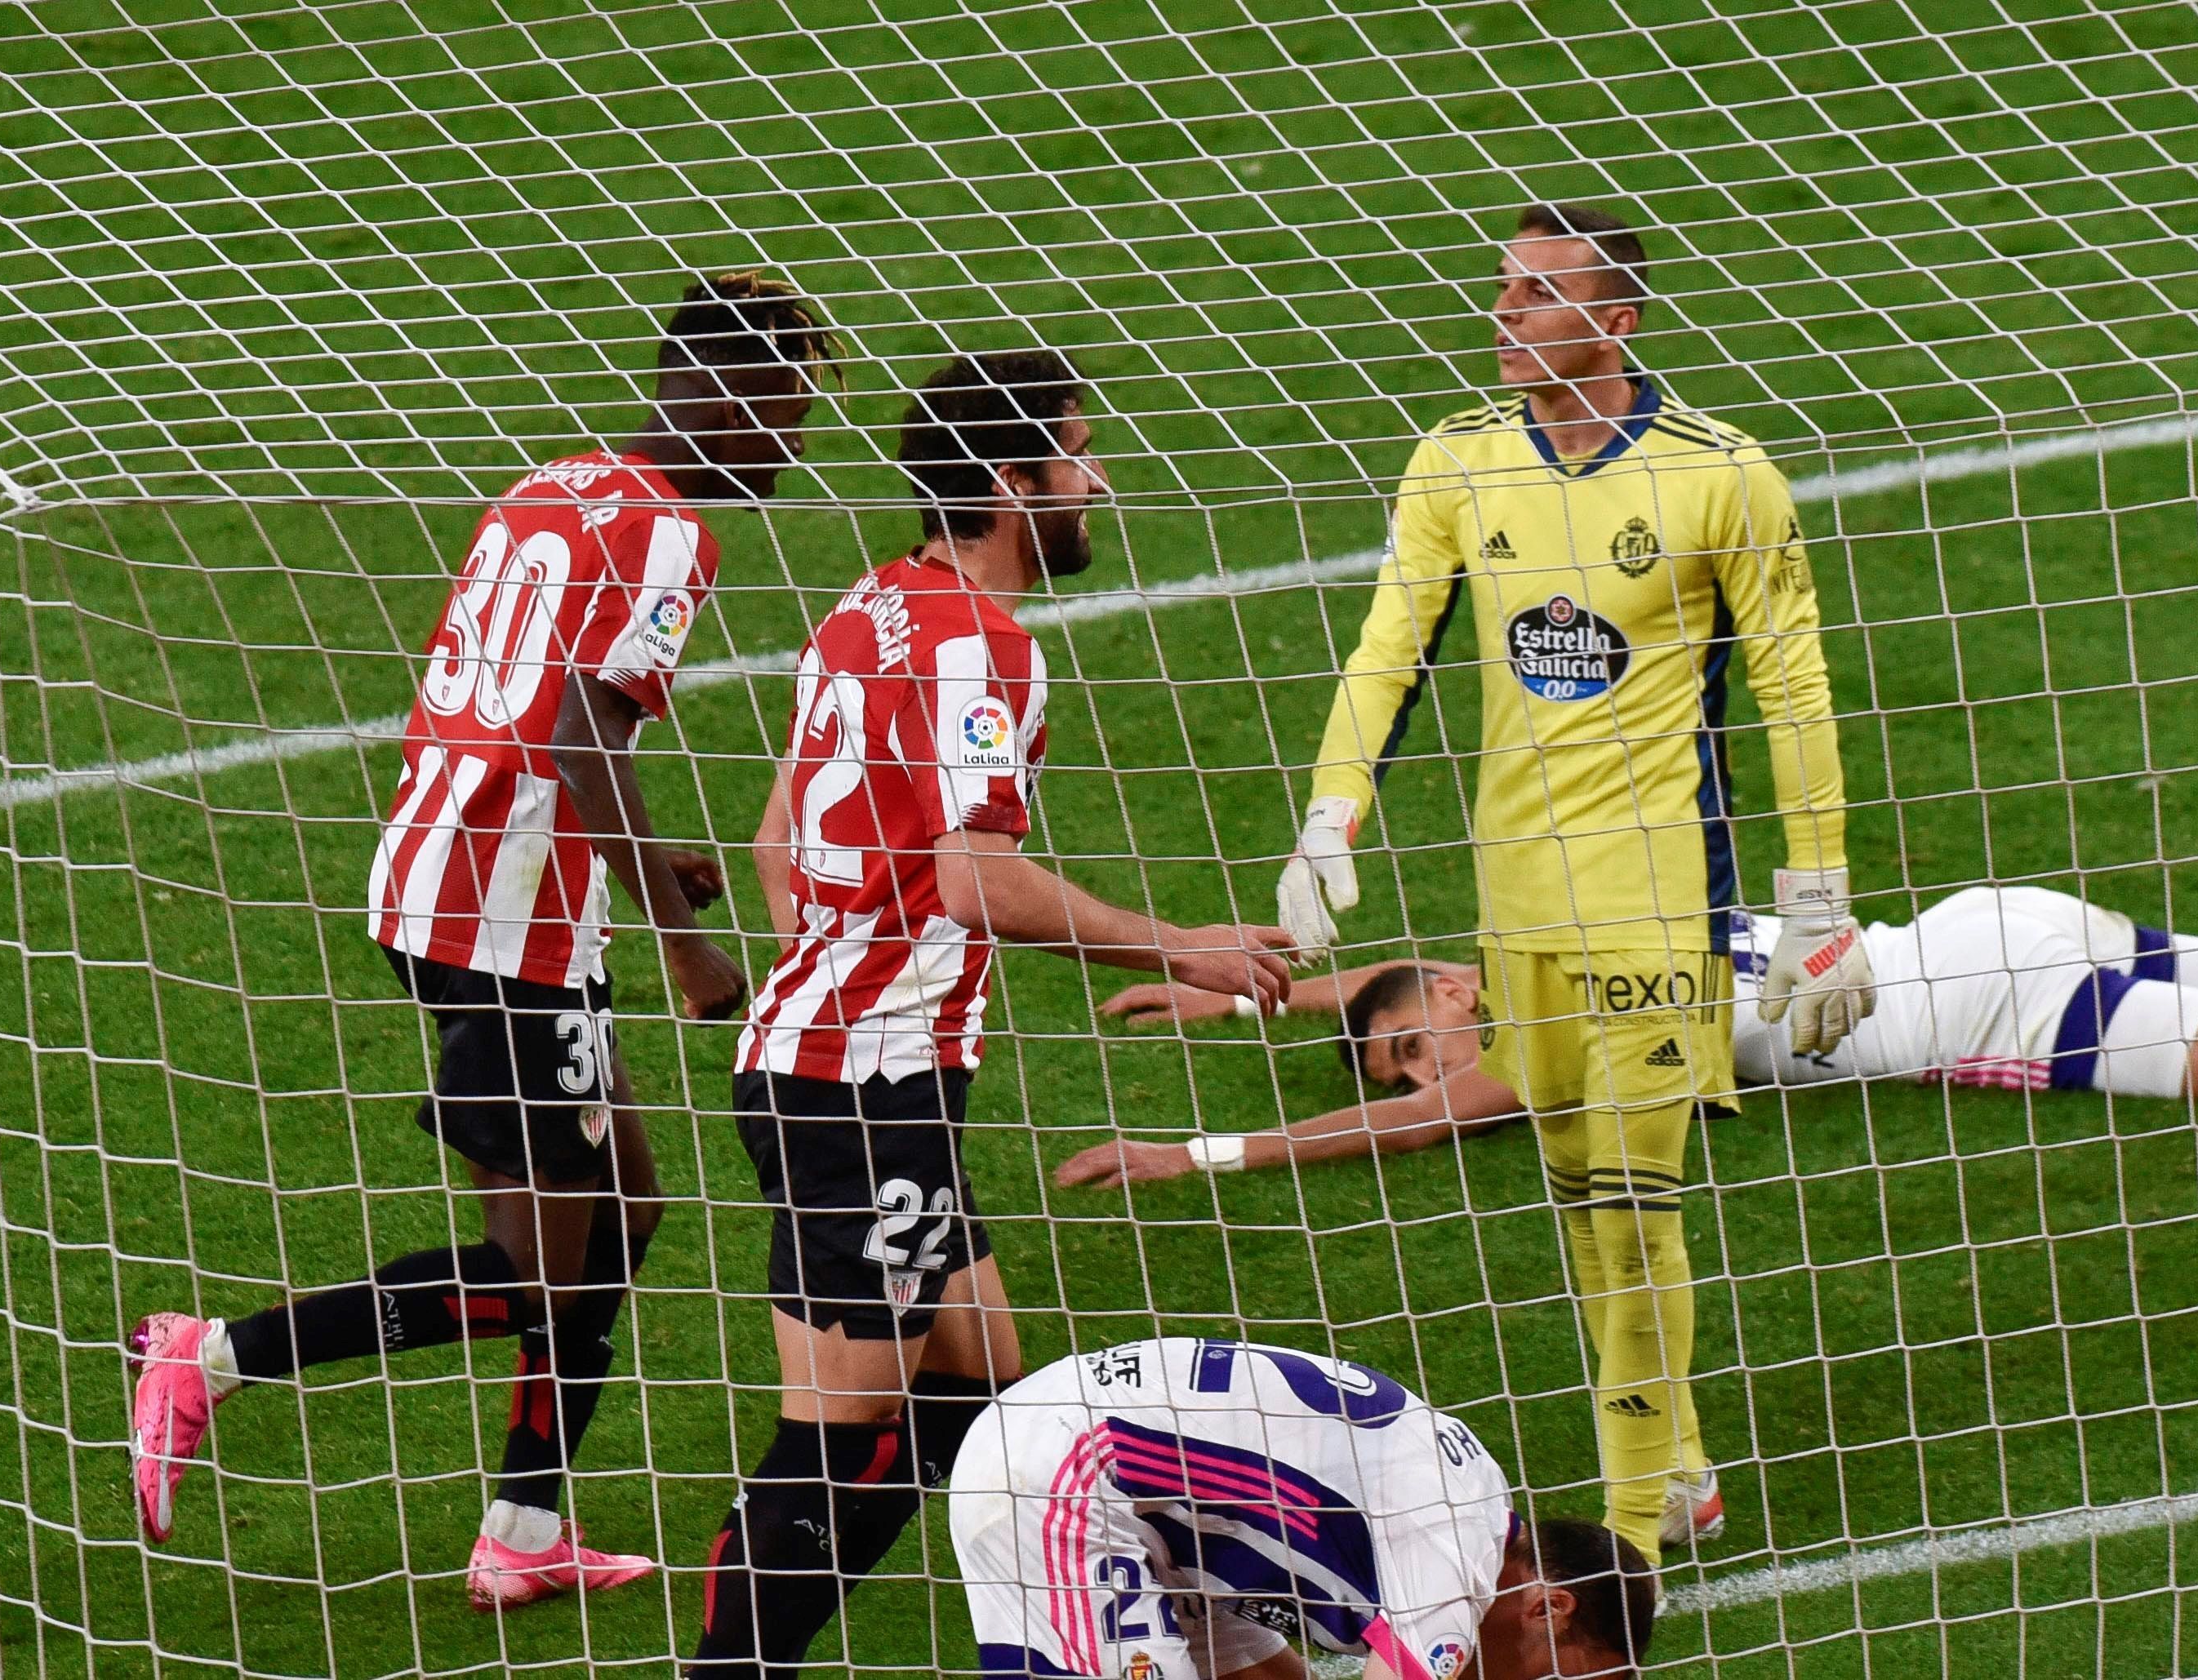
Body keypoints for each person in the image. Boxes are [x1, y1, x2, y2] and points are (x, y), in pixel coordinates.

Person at [128, 273, 839, 1607]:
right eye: (786, 408)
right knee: (545, 1272)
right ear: (724, 388)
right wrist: (684, 940)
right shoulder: (676, 530)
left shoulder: (556, 481)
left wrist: (640, 851)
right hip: (512, 924)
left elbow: (522, 712)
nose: (790, 442)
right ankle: (209, 1354)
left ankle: (521, 1534)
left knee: (620, 1214)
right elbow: (578, 732)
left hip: (437, 870)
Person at [1275, 201, 1872, 1565]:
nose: (1503, 315)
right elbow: (1389, 647)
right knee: (1579, 1201)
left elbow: (1795, 691)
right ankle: (1684, 1460)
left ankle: (1631, 1533)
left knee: (1636, 1192)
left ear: (1615, 318)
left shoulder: (1723, 475)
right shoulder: (1459, 462)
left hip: (1664, 900)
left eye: (1537, 295)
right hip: (1519, 910)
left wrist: (1820, 902)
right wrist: (1331, 812)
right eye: (1502, 290)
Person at [683, 352, 1295, 1678]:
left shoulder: (873, 602)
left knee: (987, 1403)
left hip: (845, 1070)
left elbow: (778, 831)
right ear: (1014, 484)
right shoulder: (983, 647)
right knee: (846, 1442)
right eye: (1077, 457)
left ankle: (1133, 1640)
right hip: (859, 1096)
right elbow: (972, 875)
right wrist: (1181, 939)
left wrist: (842, 966)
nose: (1099, 481)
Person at [1057, 890, 2198, 1180]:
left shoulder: (1540, 1025)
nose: (1428, 1072)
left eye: (1412, 1041)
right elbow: (1410, 1014)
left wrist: (1201, 1149)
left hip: (1980, 1002)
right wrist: (1242, 986)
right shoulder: (1540, 926)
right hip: (1987, 923)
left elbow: (1420, 1126)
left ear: (1451, 1003)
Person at [947, 1336, 1653, 1680]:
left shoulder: (1467, 1516)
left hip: (1162, 1522)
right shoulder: (1456, 1555)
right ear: (1547, 1608)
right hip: (1069, 1473)